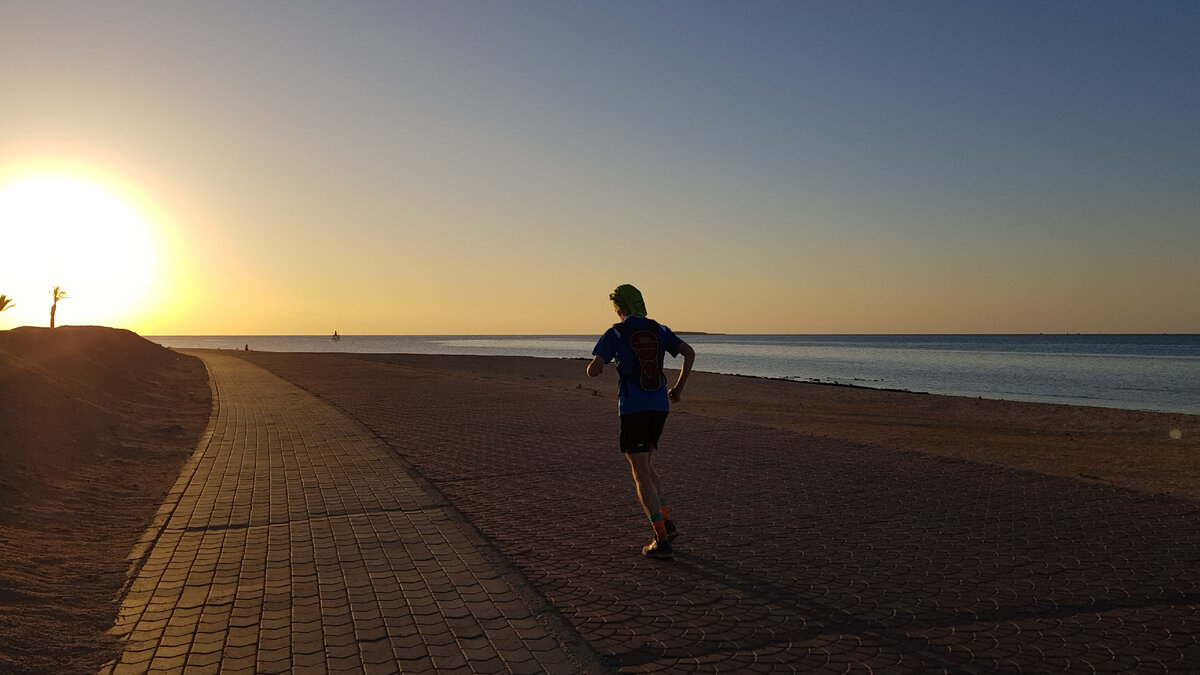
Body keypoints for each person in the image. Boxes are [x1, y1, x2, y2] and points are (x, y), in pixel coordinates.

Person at [587, 284, 695, 559]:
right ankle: (667, 524)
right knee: (646, 465)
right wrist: (679, 388)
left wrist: (597, 368)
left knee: (639, 473)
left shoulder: (615, 332)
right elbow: (689, 352)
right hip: (659, 405)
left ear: (620, 309)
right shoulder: (659, 329)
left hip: (633, 407)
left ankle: (660, 538)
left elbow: (594, 369)